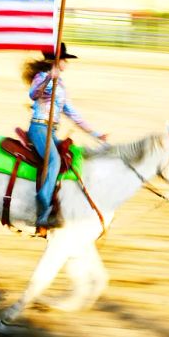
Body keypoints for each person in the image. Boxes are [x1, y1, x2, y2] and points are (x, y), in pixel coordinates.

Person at [22, 42, 107, 228]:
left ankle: (60, 200)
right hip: (39, 128)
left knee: (68, 157)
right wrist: (47, 79)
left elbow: (71, 112)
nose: (67, 63)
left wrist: (95, 133)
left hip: (51, 130)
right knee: (54, 161)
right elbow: (33, 95)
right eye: (65, 59)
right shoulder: (42, 76)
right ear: (57, 61)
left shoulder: (60, 83)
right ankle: (43, 206)